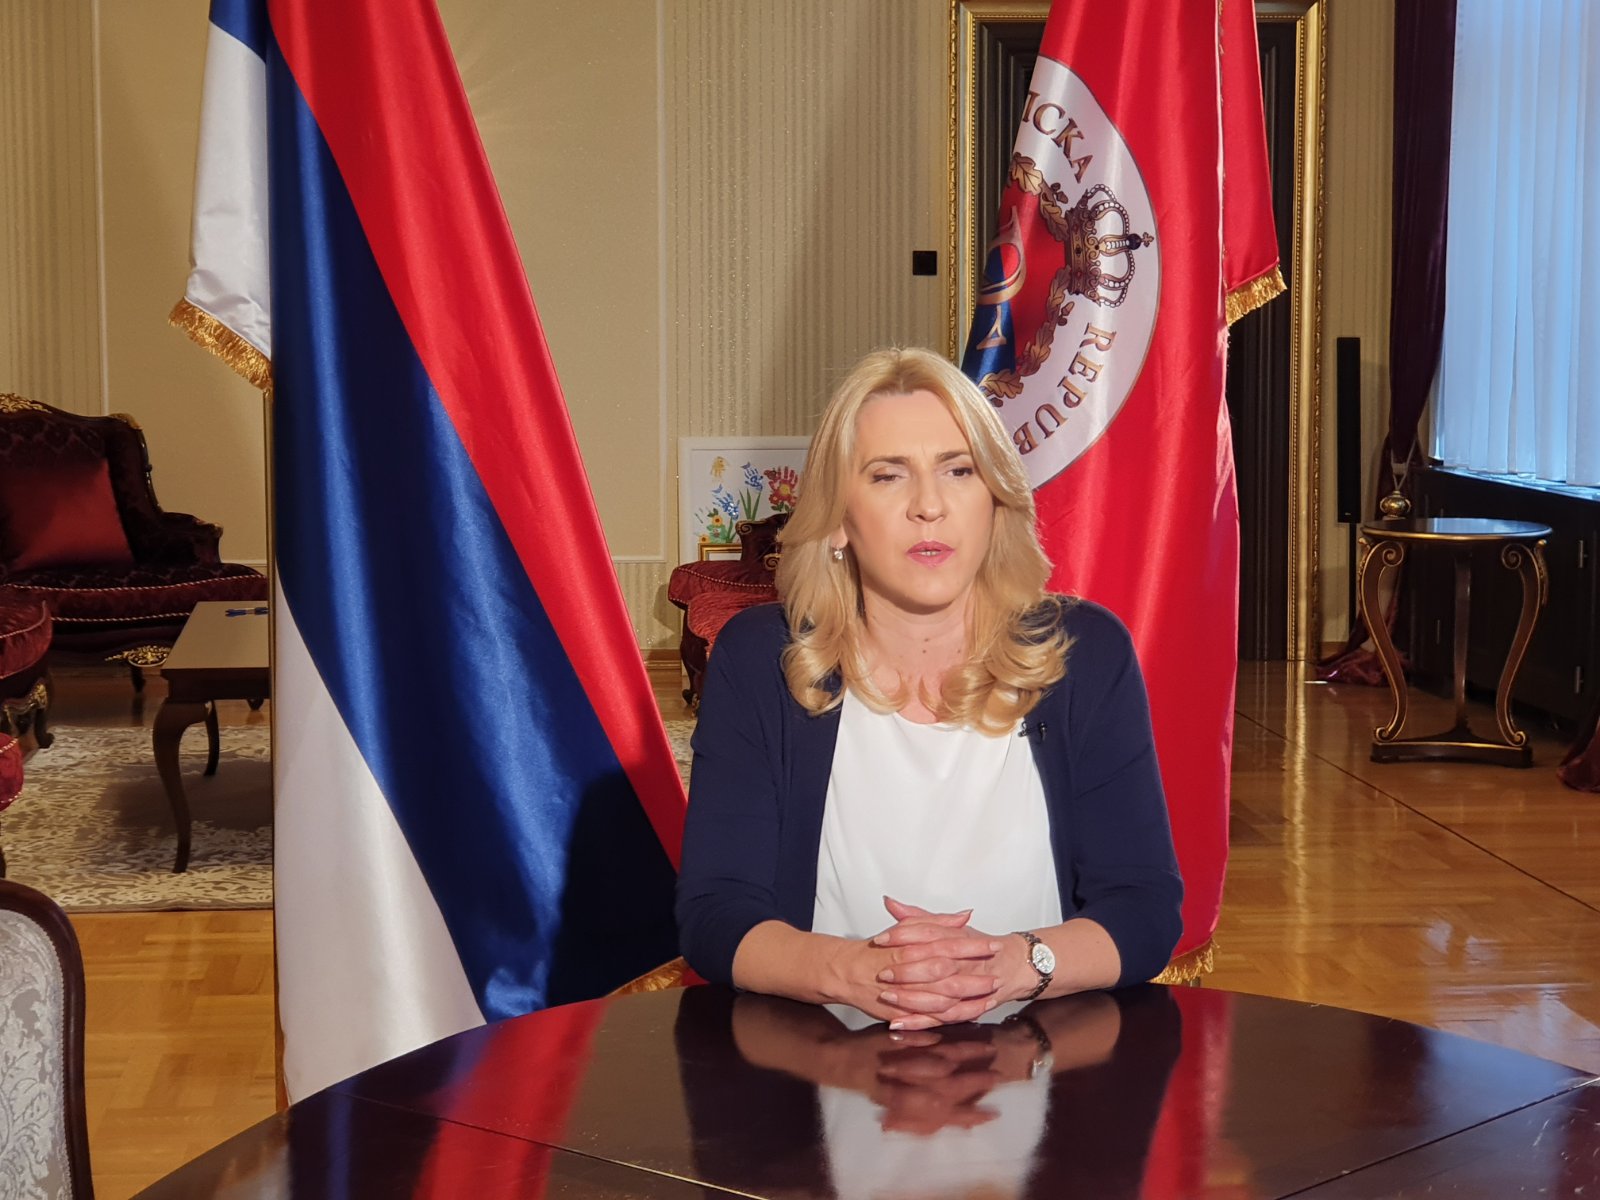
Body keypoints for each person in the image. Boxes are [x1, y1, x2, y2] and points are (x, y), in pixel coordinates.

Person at [676, 347, 1181, 1031]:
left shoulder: (1085, 653)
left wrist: (1011, 965)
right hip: (818, 1067)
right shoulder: (762, 658)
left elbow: (1144, 910)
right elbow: (715, 914)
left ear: (995, 499)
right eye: (887, 476)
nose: (929, 507)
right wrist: (856, 973)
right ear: (837, 519)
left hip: (1042, 1063)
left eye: (959, 470)